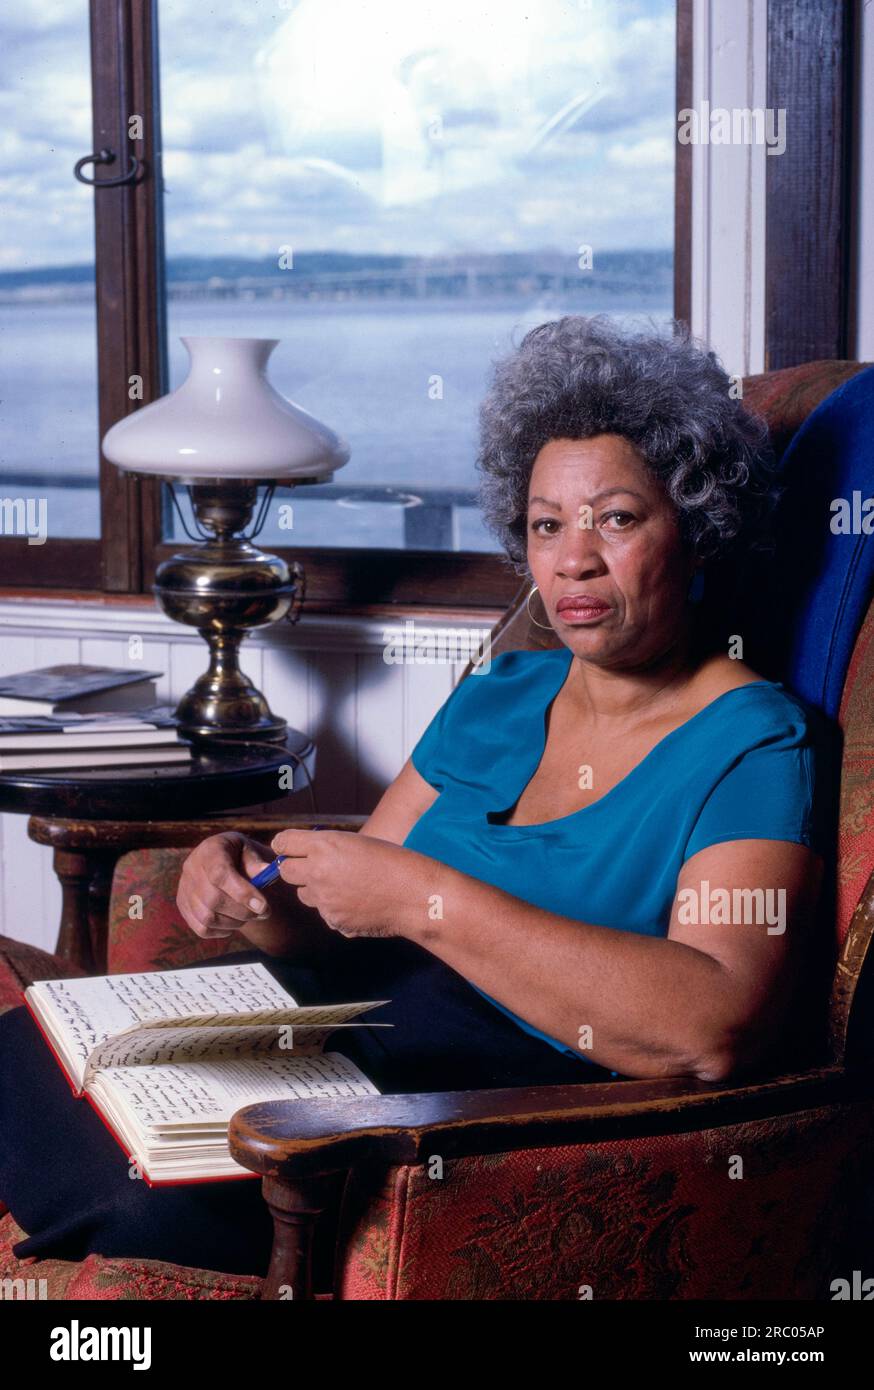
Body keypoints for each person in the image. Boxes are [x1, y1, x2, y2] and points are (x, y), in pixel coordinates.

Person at [0, 316, 828, 1277]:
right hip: (344, 1023)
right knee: (30, 1062)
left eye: (618, 517)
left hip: (484, 1094)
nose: (573, 560)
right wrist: (253, 891)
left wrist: (421, 902)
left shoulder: (756, 740)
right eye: (546, 524)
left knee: (129, 1191)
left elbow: (711, 1026)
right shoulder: (501, 694)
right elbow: (340, 915)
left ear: (698, 529)